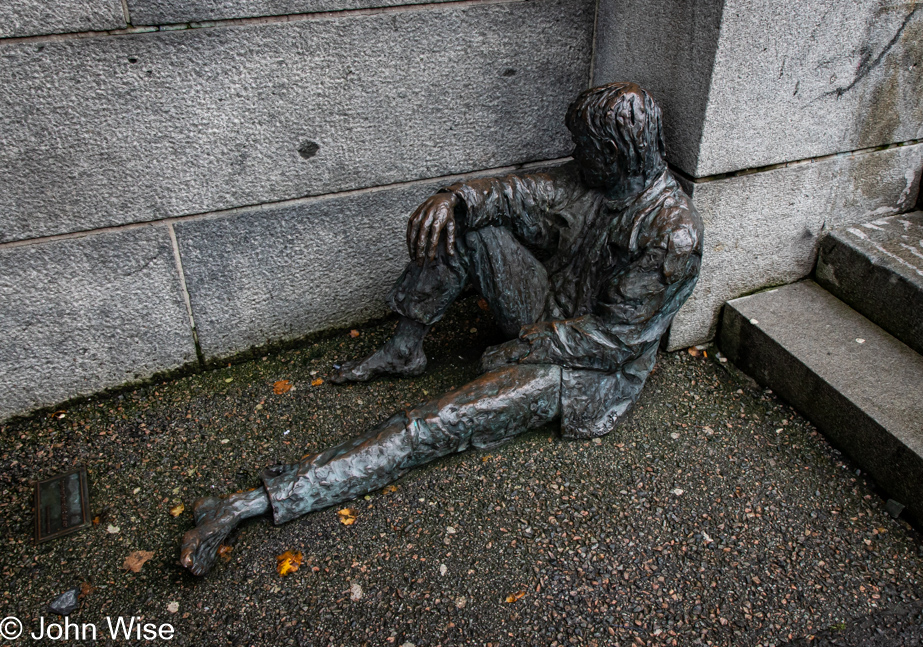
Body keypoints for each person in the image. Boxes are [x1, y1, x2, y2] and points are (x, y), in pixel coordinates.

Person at [180, 82, 703, 576]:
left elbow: (614, 341)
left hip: (587, 369)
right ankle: (406, 349)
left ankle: (249, 503)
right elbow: (519, 191)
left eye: (582, 146)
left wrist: (522, 348)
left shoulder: (671, 234)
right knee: (463, 227)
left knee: (433, 423)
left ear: (612, 154)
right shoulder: (594, 179)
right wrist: (454, 198)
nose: (573, 154)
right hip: (548, 312)